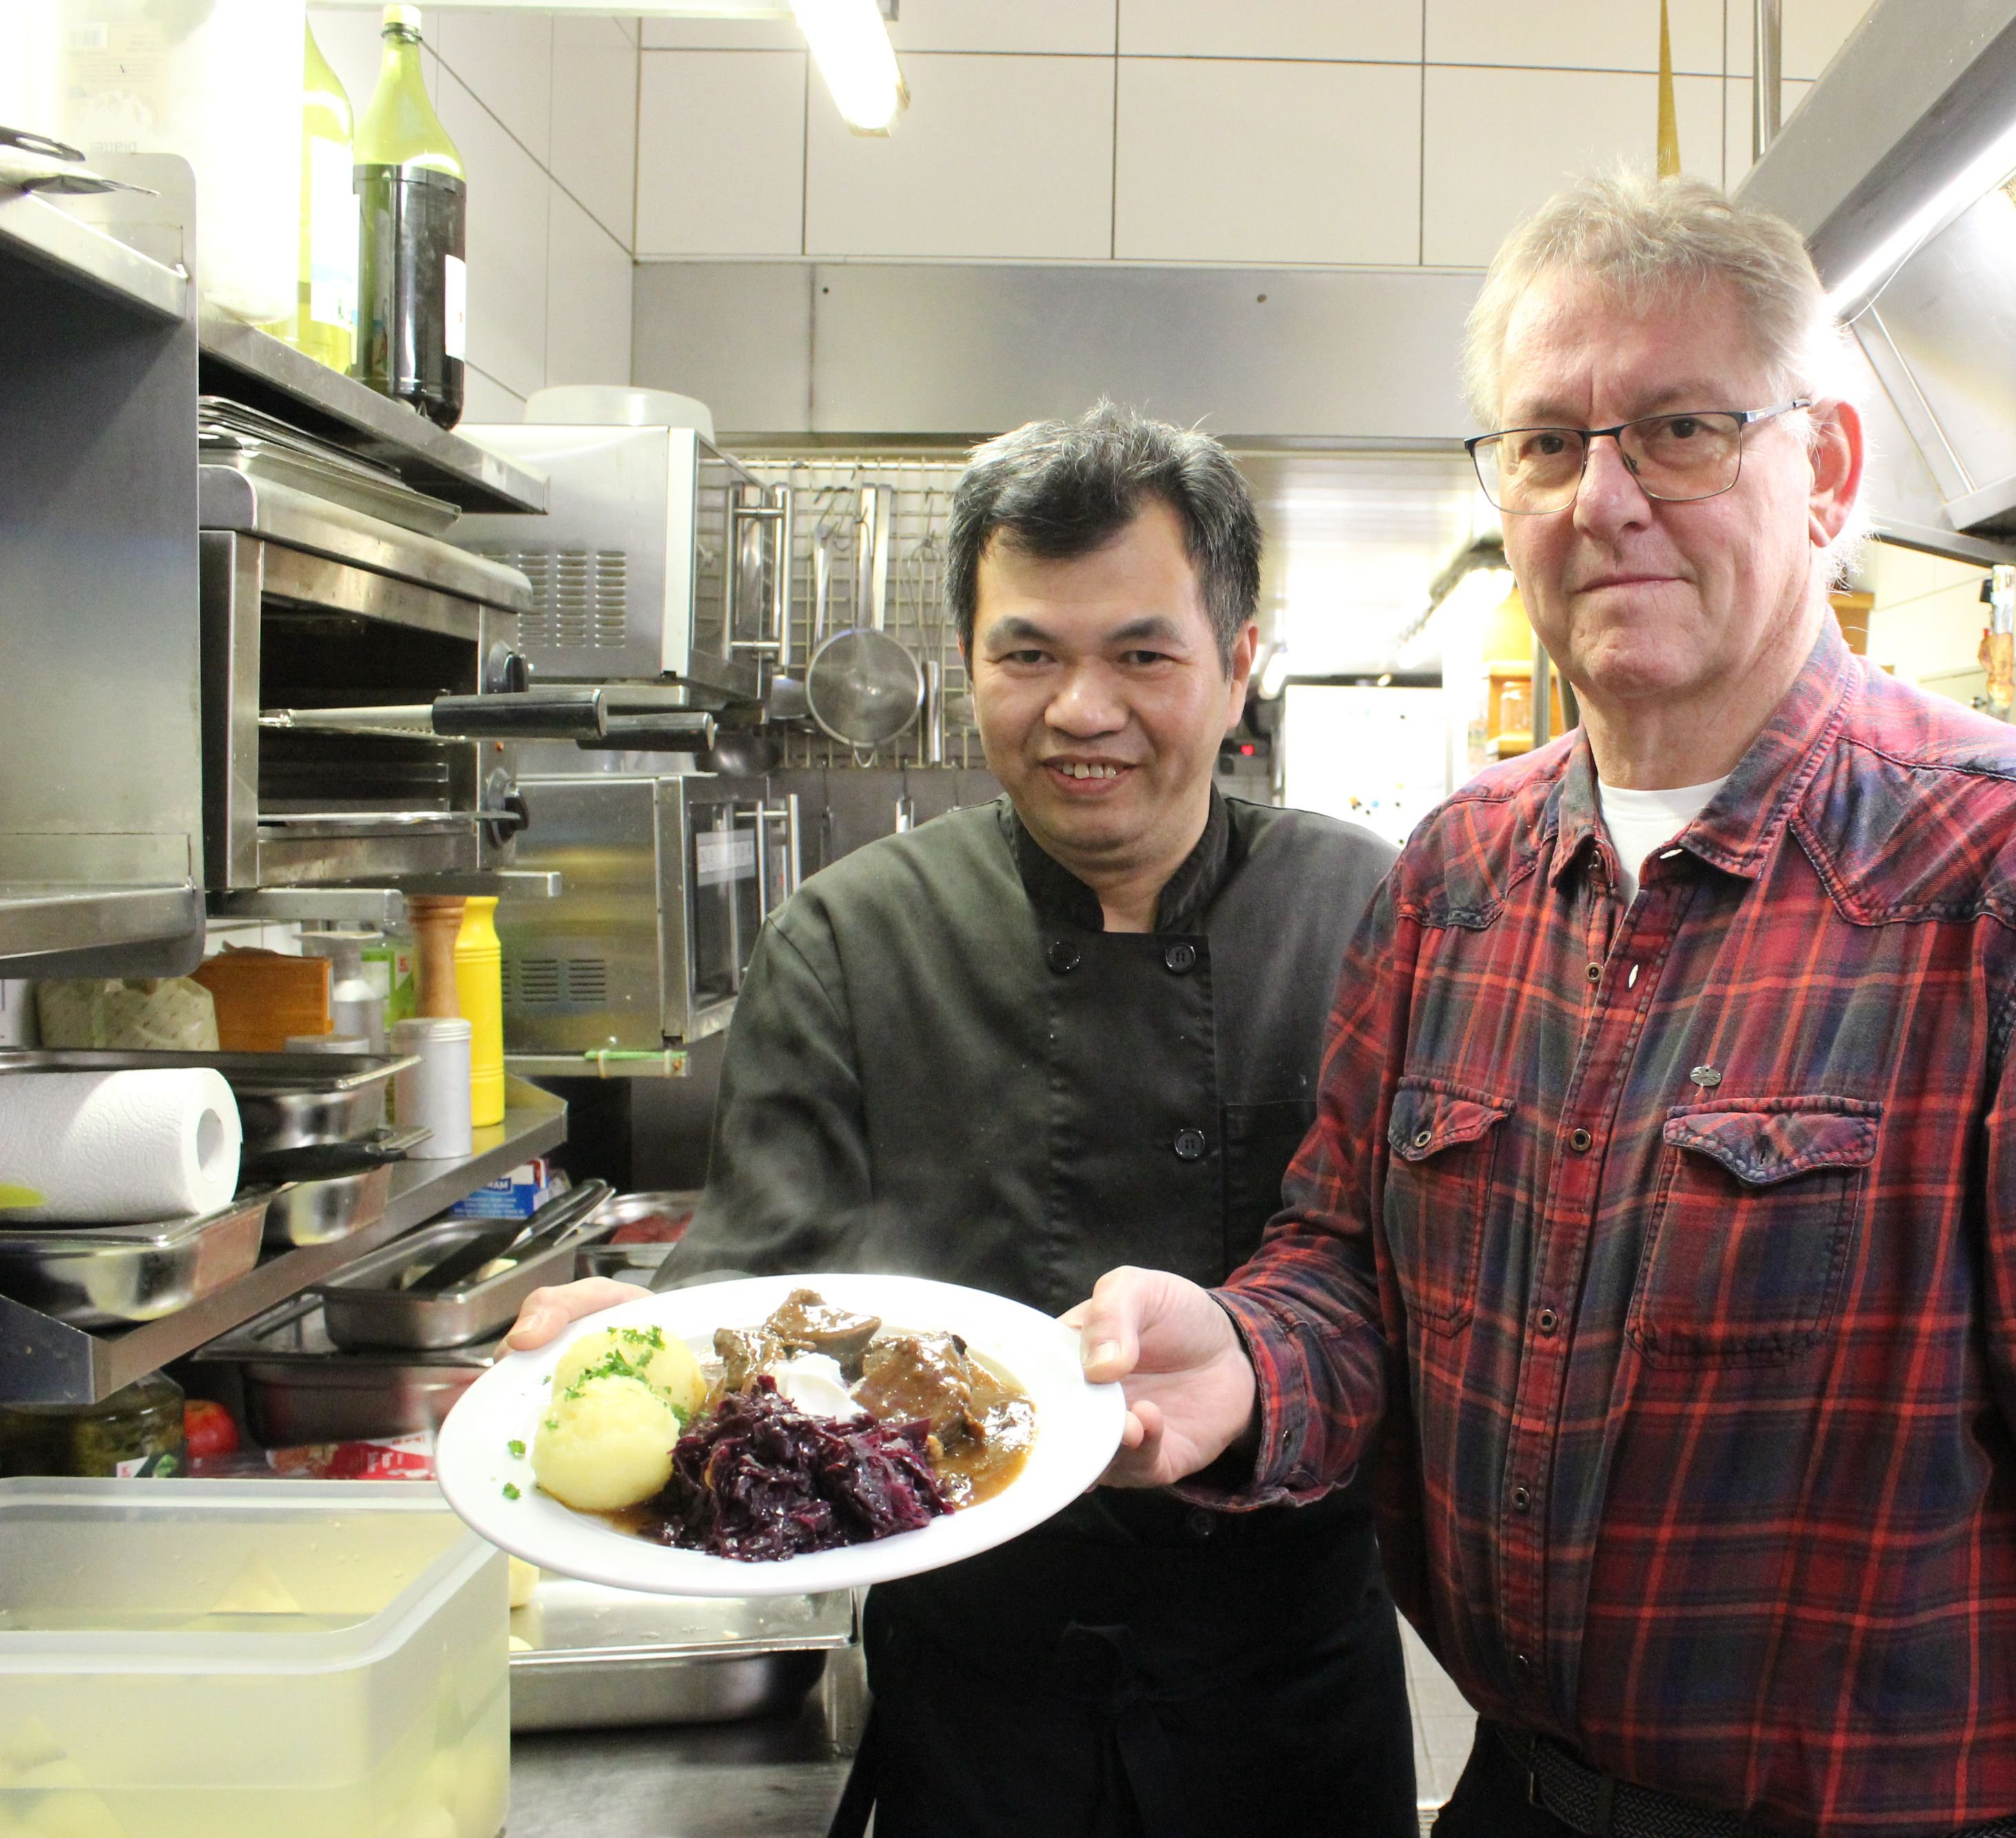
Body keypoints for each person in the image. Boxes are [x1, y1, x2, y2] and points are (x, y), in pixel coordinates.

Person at [1074, 175, 2016, 1837]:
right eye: (1545, 442)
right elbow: (1347, 1268)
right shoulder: (1453, 877)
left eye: (1676, 429)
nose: (1602, 500)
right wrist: (1243, 1357)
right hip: (1519, 1800)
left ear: (1819, 471)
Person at [508, 405, 1417, 1838]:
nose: (1080, 710)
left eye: (1140, 653)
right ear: (967, 662)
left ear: (1238, 662)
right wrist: (636, 1344)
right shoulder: (854, 935)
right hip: (971, 1696)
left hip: (1288, 1696)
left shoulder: (1373, 916)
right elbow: (759, 1282)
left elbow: (1425, 1293)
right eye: (1028, 654)